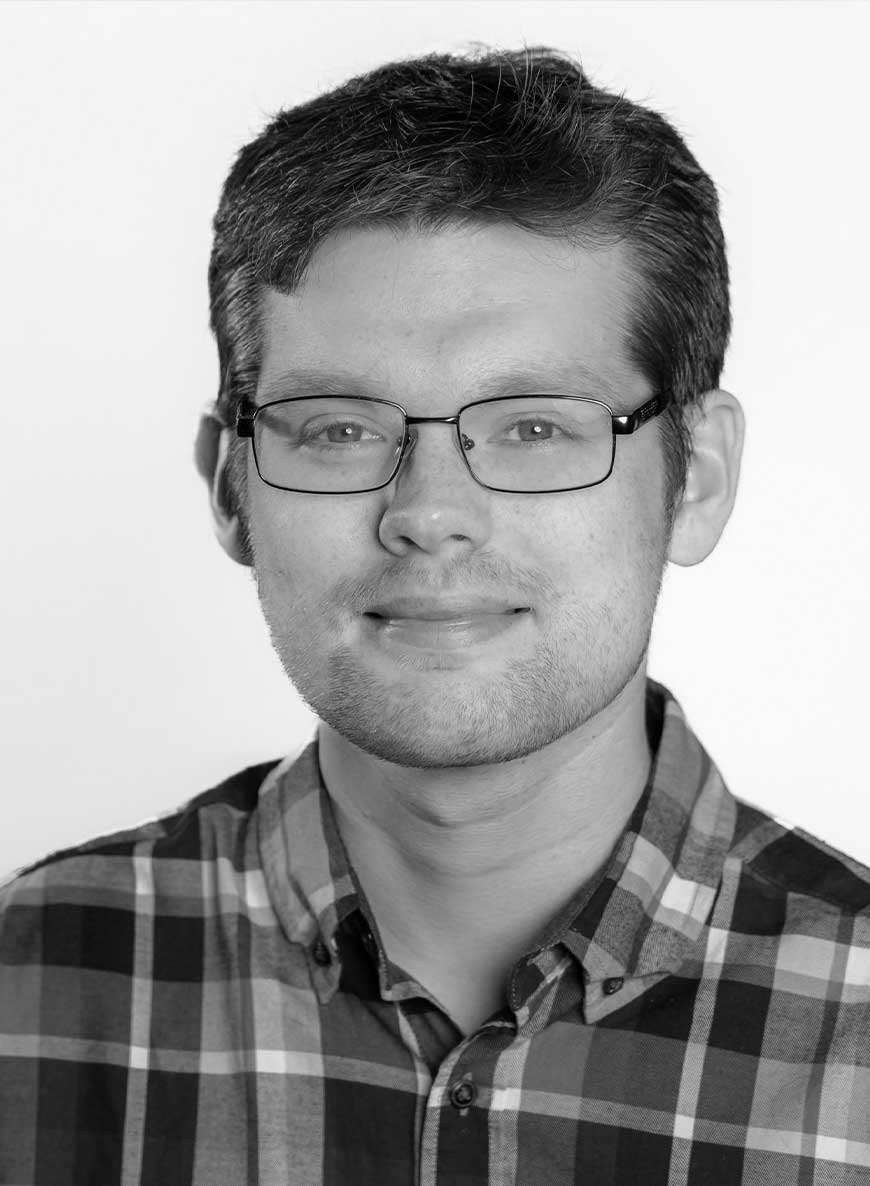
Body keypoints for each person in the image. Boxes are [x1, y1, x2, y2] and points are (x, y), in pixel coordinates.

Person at [1, 45, 868, 1186]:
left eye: (537, 426)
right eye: (340, 428)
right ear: (230, 487)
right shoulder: (27, 988)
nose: (430, 515)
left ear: (695, 476)